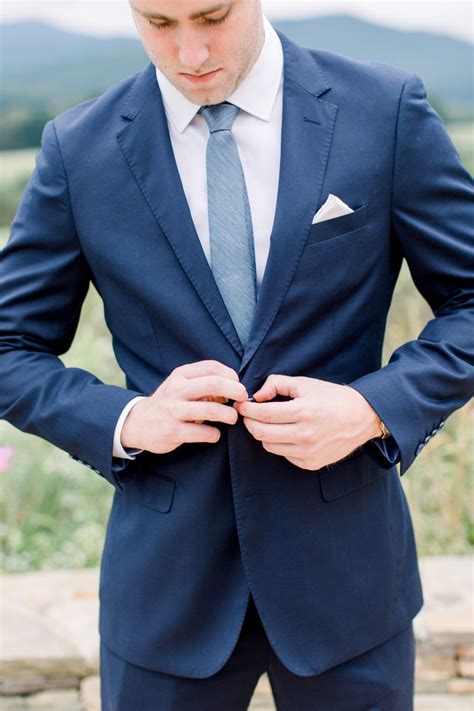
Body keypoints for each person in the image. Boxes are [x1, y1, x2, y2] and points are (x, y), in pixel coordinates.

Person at [1, 0, 472, 708]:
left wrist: (373, 406)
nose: (189, 53)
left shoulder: (385, 109)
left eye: (211, 16)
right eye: (159, 24)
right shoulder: (80, 147)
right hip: (165, 595)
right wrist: (127, 419)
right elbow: (10, 344)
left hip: (349, 586)